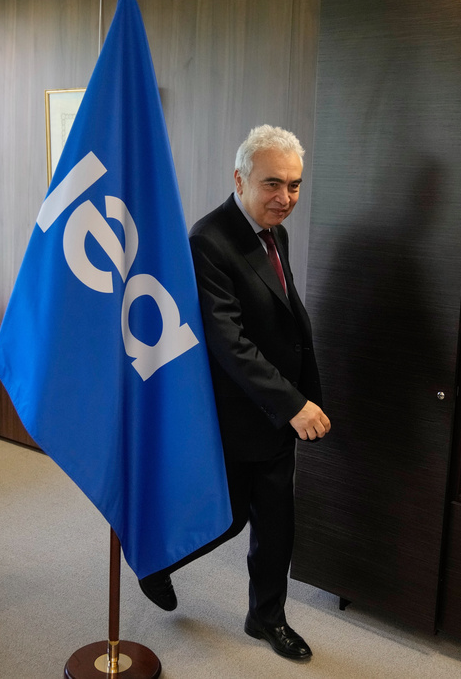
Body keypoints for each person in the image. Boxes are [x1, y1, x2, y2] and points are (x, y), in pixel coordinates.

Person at [138, 124, 330, 660]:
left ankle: (266, 618)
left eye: (294, 185)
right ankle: (155, 559)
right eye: (273, 183)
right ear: (240, 179)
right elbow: (230, 343)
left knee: (276, 521)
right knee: (226, 516)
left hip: (276, 408)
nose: (285, 197)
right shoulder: (208, 240)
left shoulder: (273, 232)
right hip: (236, 409)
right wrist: (293, 403)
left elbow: (284, 319)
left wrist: (302, 393)